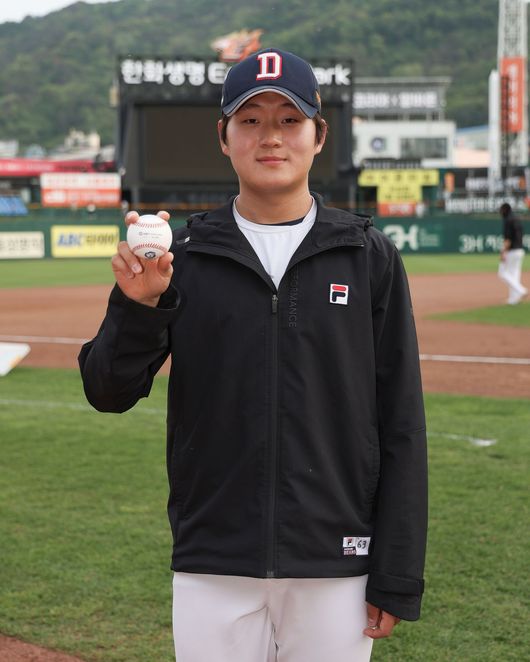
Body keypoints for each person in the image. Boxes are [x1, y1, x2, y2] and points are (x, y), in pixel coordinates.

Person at [79, 48, 428, 662]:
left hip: (336, 563)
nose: (272, 137)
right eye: (251, 120)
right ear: (224, 137)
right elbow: (106, 390)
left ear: (319, 136)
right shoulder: (185, 257)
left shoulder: (368, 256)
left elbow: (401, 422)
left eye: (290, 120)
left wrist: (395, 570)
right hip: (215, 560)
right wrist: (137, 306)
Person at [498, 202, 527, 305]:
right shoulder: (517, 219)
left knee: (502, 273)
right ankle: (513, 299)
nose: (500, 212)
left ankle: (521, 290)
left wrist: (503, 251)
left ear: (505, 210)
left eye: (501, 210)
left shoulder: (508, 220)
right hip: (520, 250)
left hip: (512, 251)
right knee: (514, 275)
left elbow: (508, 239)